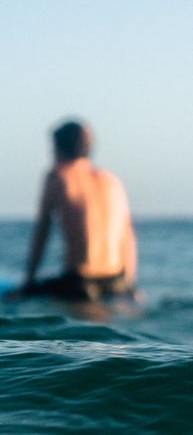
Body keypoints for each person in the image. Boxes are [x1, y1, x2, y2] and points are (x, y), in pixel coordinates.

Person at [9, 121, 137, 302]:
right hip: (117, 282)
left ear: (57, 148)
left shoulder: (59, 177)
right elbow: (128, 235)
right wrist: (129, 284)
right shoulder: (111, 181)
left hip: (80, 284)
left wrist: (28, 280)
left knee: (10, 298)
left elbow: (42, 231)